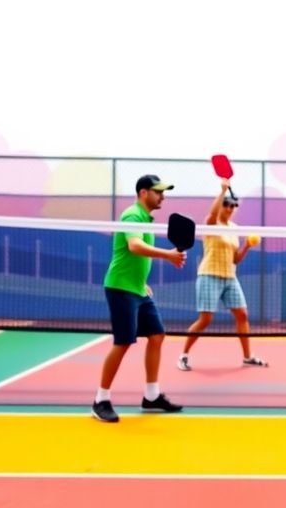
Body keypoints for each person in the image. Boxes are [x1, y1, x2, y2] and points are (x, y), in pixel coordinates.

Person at [93, 174, 188, 423]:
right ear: (143, 193)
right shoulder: (132, 215)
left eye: (163, 192)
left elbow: (134, 256)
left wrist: (142, 282)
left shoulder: (146, 219)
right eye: (158, 192)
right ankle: (100, 400)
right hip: (120, 289)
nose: (163, 196)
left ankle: (151, 396)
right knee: (123, 342)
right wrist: (168, 256)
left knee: (157, 335)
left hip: (138, 289)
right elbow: (134, 246)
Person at [177, 178, 267, 371]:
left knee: (242, 315)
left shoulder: (234, 229)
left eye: (233, 205)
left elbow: (235, 259)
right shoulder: (211, 224)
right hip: (209, 275)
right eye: (226, 204)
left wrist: (247, 247)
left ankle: (247, 357)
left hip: (230, 277)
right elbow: (211, 213)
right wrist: (222, 191)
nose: (230, 208)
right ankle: (183, 355)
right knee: (206, 319)